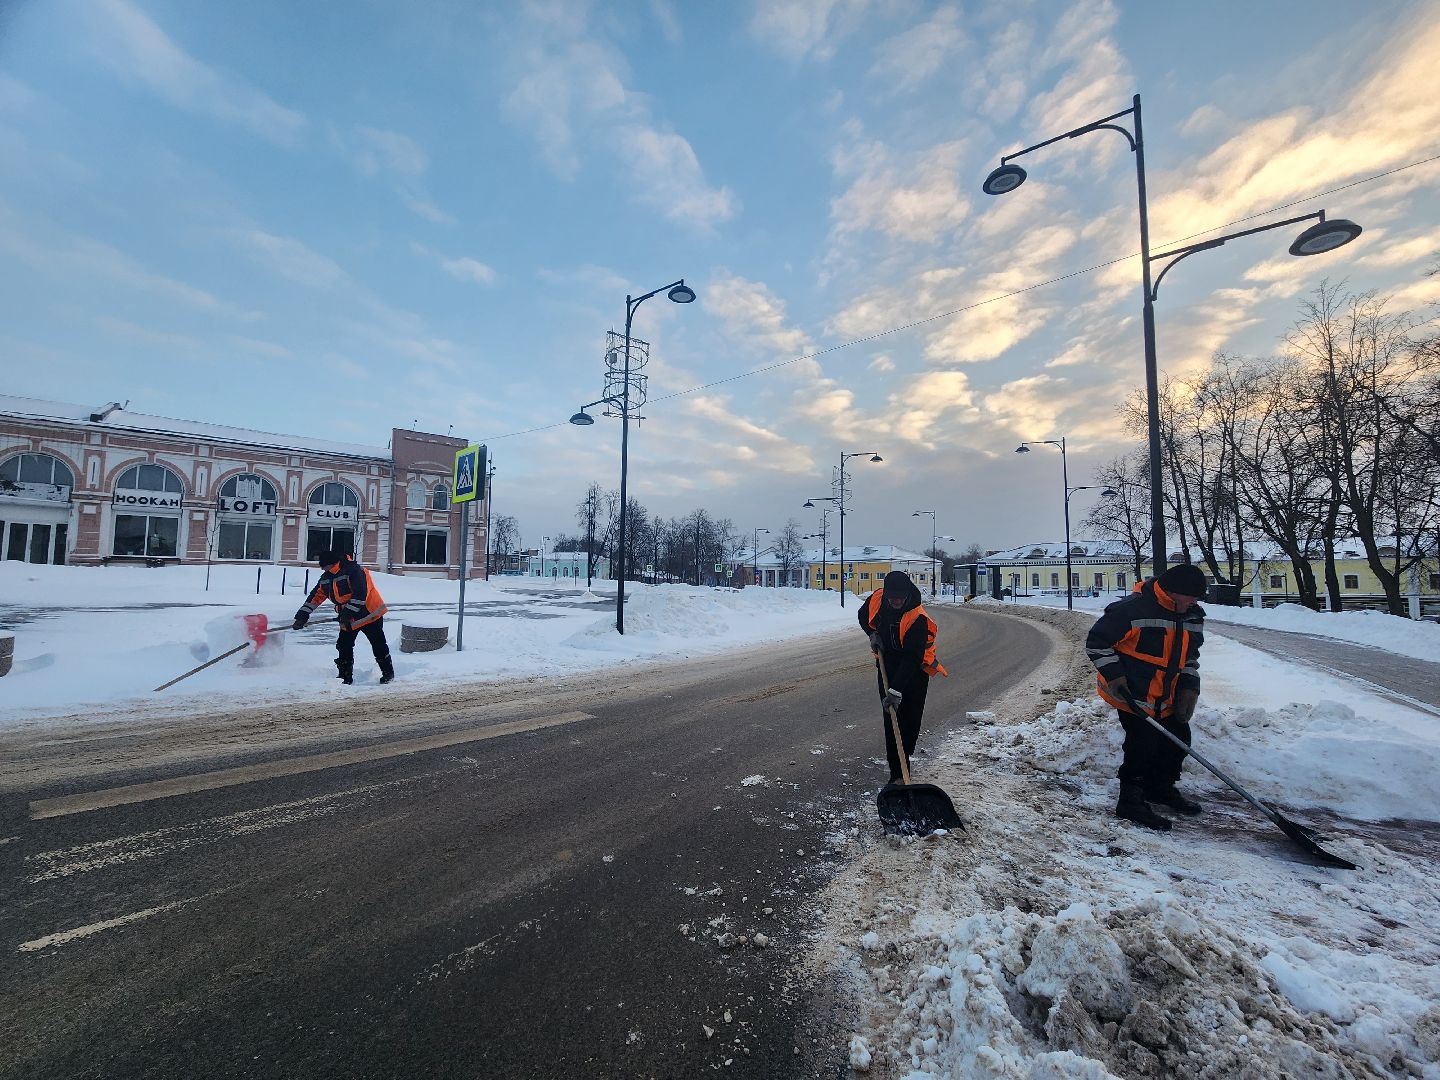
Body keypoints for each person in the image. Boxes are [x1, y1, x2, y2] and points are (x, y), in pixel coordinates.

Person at [1086, 563, 1207, 830]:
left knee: (1178, 741)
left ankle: (1159, 789)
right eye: (1191, 596)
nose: (1195, 602)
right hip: (1134, 694)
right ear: (1174, 592)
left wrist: (1189, 685)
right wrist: (1116, 678)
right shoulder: (1131, 609)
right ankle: (1130, 800)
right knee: (1142, 745)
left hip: (1168, 695)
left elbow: (1190, 656)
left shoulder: (1191, 615)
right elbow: (1097, 642)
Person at [858, 570, 948, 784]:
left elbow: (912, 657)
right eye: (892, 596)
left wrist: (896, 690)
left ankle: (904, 761)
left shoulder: (917, 618)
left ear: (907, 594)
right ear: (886, 593)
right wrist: (872, 635)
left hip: (915, 672)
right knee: (891, 721)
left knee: (909, 722)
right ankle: (898, 776)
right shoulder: (878, 599)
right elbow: (863, 616)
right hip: (887, 665)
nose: (896, 600)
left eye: (900, 596)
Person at [293, 549, 394, 685]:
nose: (323, 569)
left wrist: (347, 613)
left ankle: (388, 673)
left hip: (370, 613)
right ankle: (344, 677)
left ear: (333, 563)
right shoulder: (326, 577)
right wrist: (303, 615)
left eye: (325, 566)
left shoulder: (354, 571)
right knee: (343, 645)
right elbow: (316, 596)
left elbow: (360, 594)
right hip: (349, 617)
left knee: (378, 644)